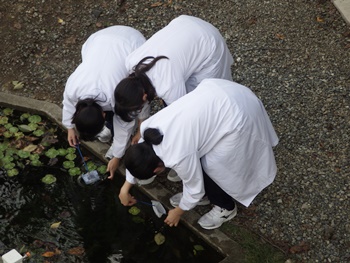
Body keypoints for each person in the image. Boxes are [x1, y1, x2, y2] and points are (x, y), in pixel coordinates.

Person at [118, 78, 278, 230]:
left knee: (212, 165)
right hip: (218, 92)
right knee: (198, 165)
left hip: (238, 112)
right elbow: (137, 157)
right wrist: (125, 189)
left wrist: (179, 212)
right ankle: (207, 196)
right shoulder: (147, 129)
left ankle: (226, 208)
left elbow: (195, 189)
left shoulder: (177, 155)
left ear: (156, 170)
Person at [114, 15, 234, 181]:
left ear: (143, 95)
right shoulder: (132, 64)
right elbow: (144, 100)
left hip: (207, 43)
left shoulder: (168, 85)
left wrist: (175, 156)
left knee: (210, 96)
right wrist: (142, 126)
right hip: (183, 25)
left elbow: (184, 118)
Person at [62, 25, 146, 178]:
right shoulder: (74, 87)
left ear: (103, 114)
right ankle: (108, 130)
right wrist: (69, 127)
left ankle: (116, 134)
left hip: (132, 43)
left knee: (138, 96)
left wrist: (117, 156)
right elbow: (68, 103)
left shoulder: (119, 96)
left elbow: (124, 126)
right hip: (98, 39)